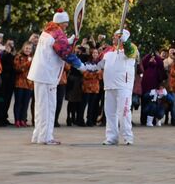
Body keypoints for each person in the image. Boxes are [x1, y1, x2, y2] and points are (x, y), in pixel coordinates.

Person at [25, 8, 88, 145]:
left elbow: (59, 44)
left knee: (41, 106)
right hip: (47, 75)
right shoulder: (57, 33)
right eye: (65, 22)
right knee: (49, 106)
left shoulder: (48, 30)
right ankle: (46, 137)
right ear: (60, 22)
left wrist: (69, 40)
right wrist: (80, 65)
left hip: (41, 74)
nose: (67, 25)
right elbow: (64, 52)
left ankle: (38, 135)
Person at [87, 28, 137, 145]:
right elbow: (97, 64)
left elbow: (130, 51)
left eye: (117, 36)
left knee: (124, 112)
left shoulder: (131, 48)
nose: (114, 38)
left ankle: (128, 137)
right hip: (109, 86)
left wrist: (125, 41)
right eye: (114, 36)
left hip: (123, 86)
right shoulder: (108, 51)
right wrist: (82, 67)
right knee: (110, 113)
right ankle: (112, 137)